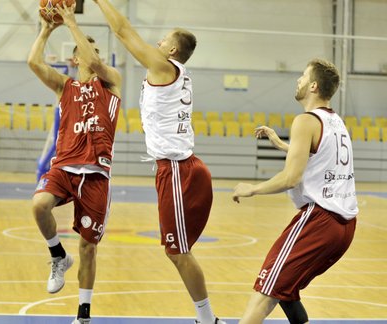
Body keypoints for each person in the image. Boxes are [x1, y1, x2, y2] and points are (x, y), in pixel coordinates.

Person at [92, 1, 224, 323]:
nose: (157, 43)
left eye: (163, 40)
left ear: (173, 50)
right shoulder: (169, 73)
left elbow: (123, 31)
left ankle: (208, 320)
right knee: (177, 251)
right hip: (175, 170)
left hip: (180, 171)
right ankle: (207, 319)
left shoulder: (165, 68)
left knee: (178, 252)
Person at [232, 59, 358, 324]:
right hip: (344, 227)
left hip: (320, 221)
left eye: (303, 76)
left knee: (265, 290)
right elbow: (320, 155)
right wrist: (282, 144)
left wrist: (252, 189)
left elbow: (291, 178)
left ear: (313, 85)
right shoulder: (335, 122)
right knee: (287, 292)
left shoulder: (305, 120)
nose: (298, 80)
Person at [27, 3, 122, 323]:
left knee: (88, 248)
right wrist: (46, 29)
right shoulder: (65, 86)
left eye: (94, 49)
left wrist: (69, 20)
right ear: (75, 58)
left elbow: (95, 60)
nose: (93, 54)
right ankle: (57, 256)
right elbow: (32, 62)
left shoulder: (110, 82)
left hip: (96, 174)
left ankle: (83, 314)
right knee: (39, 205)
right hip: (64, 166)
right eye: (87, 49)